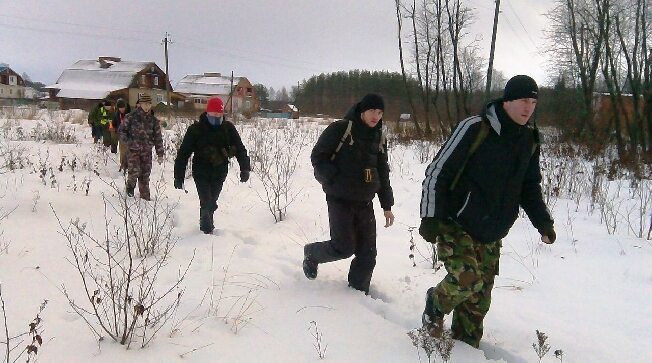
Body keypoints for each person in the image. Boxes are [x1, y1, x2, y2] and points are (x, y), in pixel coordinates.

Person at [418, 75, 555, 348]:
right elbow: (437, 171)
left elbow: (529, 186)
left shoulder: (529, 138)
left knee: (477, 306)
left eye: (533, 101)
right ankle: (434, 304)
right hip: (456, 222)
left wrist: (543, 222)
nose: (528, 107)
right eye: (522, 100)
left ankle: (463, 350)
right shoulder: (475, 128)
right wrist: (430, 216)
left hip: (492, 230)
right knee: (467, 280)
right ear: (507, 101)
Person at [303, 93, 395, 295]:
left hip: (365, 201)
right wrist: (331, 177)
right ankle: (312, 253)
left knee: (368, 254)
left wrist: (387, 205)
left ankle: (357, 293)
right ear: (363, 110)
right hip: (340, 199)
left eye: (380, 112)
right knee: (343, 247)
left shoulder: (379, 136)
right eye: (372, 111)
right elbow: (318, 156)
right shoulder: (341, 128)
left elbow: (382, 170)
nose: (375, 116)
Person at [173, 97, 251, 234]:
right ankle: (206, 228)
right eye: (214, 115)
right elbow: (183, 153)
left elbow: (240, 148)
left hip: (220, 172)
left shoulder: (228, 129)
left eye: (219, 115)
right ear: (207, 113)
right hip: (200, 171)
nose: (216, 118)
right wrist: (178, 176)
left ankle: (207, 220)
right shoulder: (196, 130)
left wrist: (245, 168)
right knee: (206, 199)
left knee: (212, 200)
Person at [118, 94, 164, 200]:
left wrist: (160, 153)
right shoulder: (131, 117)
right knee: (134, 173)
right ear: (140, 104)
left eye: (149, 104)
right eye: (144, 104)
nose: (147, 106)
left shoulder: (153, 120)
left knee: (145, 175)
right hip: (133, 151)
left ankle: (145, 199)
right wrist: (129, 142)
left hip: (147, 152)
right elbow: (121, 131)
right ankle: (129, 194)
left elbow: (158, 137)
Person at [112, 99, 130, 173]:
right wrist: (116, 129)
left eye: (123, 107)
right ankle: (123, 164)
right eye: (120, 108)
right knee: (122, 150)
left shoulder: (130, 113)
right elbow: (114, 123)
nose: (122, 109)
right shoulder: (116, 114)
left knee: (129, 150)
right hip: (121, 135)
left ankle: (129, 164)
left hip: (130, 135)